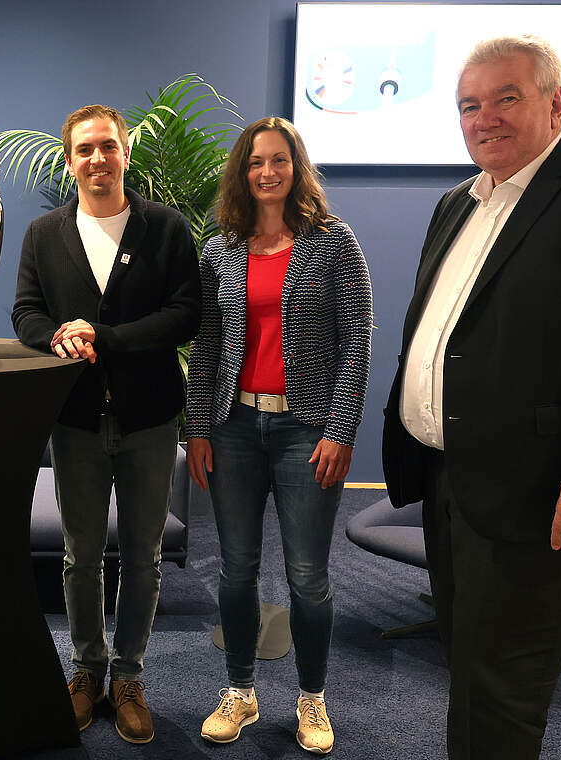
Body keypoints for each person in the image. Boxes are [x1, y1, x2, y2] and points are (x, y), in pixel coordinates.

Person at [381, 35, 561, 759]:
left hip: (542, 492)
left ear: (554, 102)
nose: (484, 117)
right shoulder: (456, 203)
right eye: (470, 104)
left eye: (506, 98)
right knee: (465, 664)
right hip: (450, 478)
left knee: (506, 689)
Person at [185, 116, 372, 755]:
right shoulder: (221, 248)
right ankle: (240, 691)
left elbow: (356, 341)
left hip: (306, 427)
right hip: (233, 424)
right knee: (236, 570)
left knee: (306, 574)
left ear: (297, 168)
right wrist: (198, 429)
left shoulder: (333, 242)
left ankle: (311, 699)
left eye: (280, 161)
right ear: (242, 171)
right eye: (256, 162)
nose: (268, 172)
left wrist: (341, 428)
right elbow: (206, 345)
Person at [12, 104, 199, 745]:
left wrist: (106, 337)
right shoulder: (44, 233)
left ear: (126, 154)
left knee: (143, 557)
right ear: (70, 160)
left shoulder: (165, 228)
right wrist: (57, 333)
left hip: (149, 418)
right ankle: (86, 671)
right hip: (75, 422)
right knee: (80, 554)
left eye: (108, 147)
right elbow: (25, 313)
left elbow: (186, 314)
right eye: (85, 149)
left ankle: (128, 677)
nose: (97, 159)